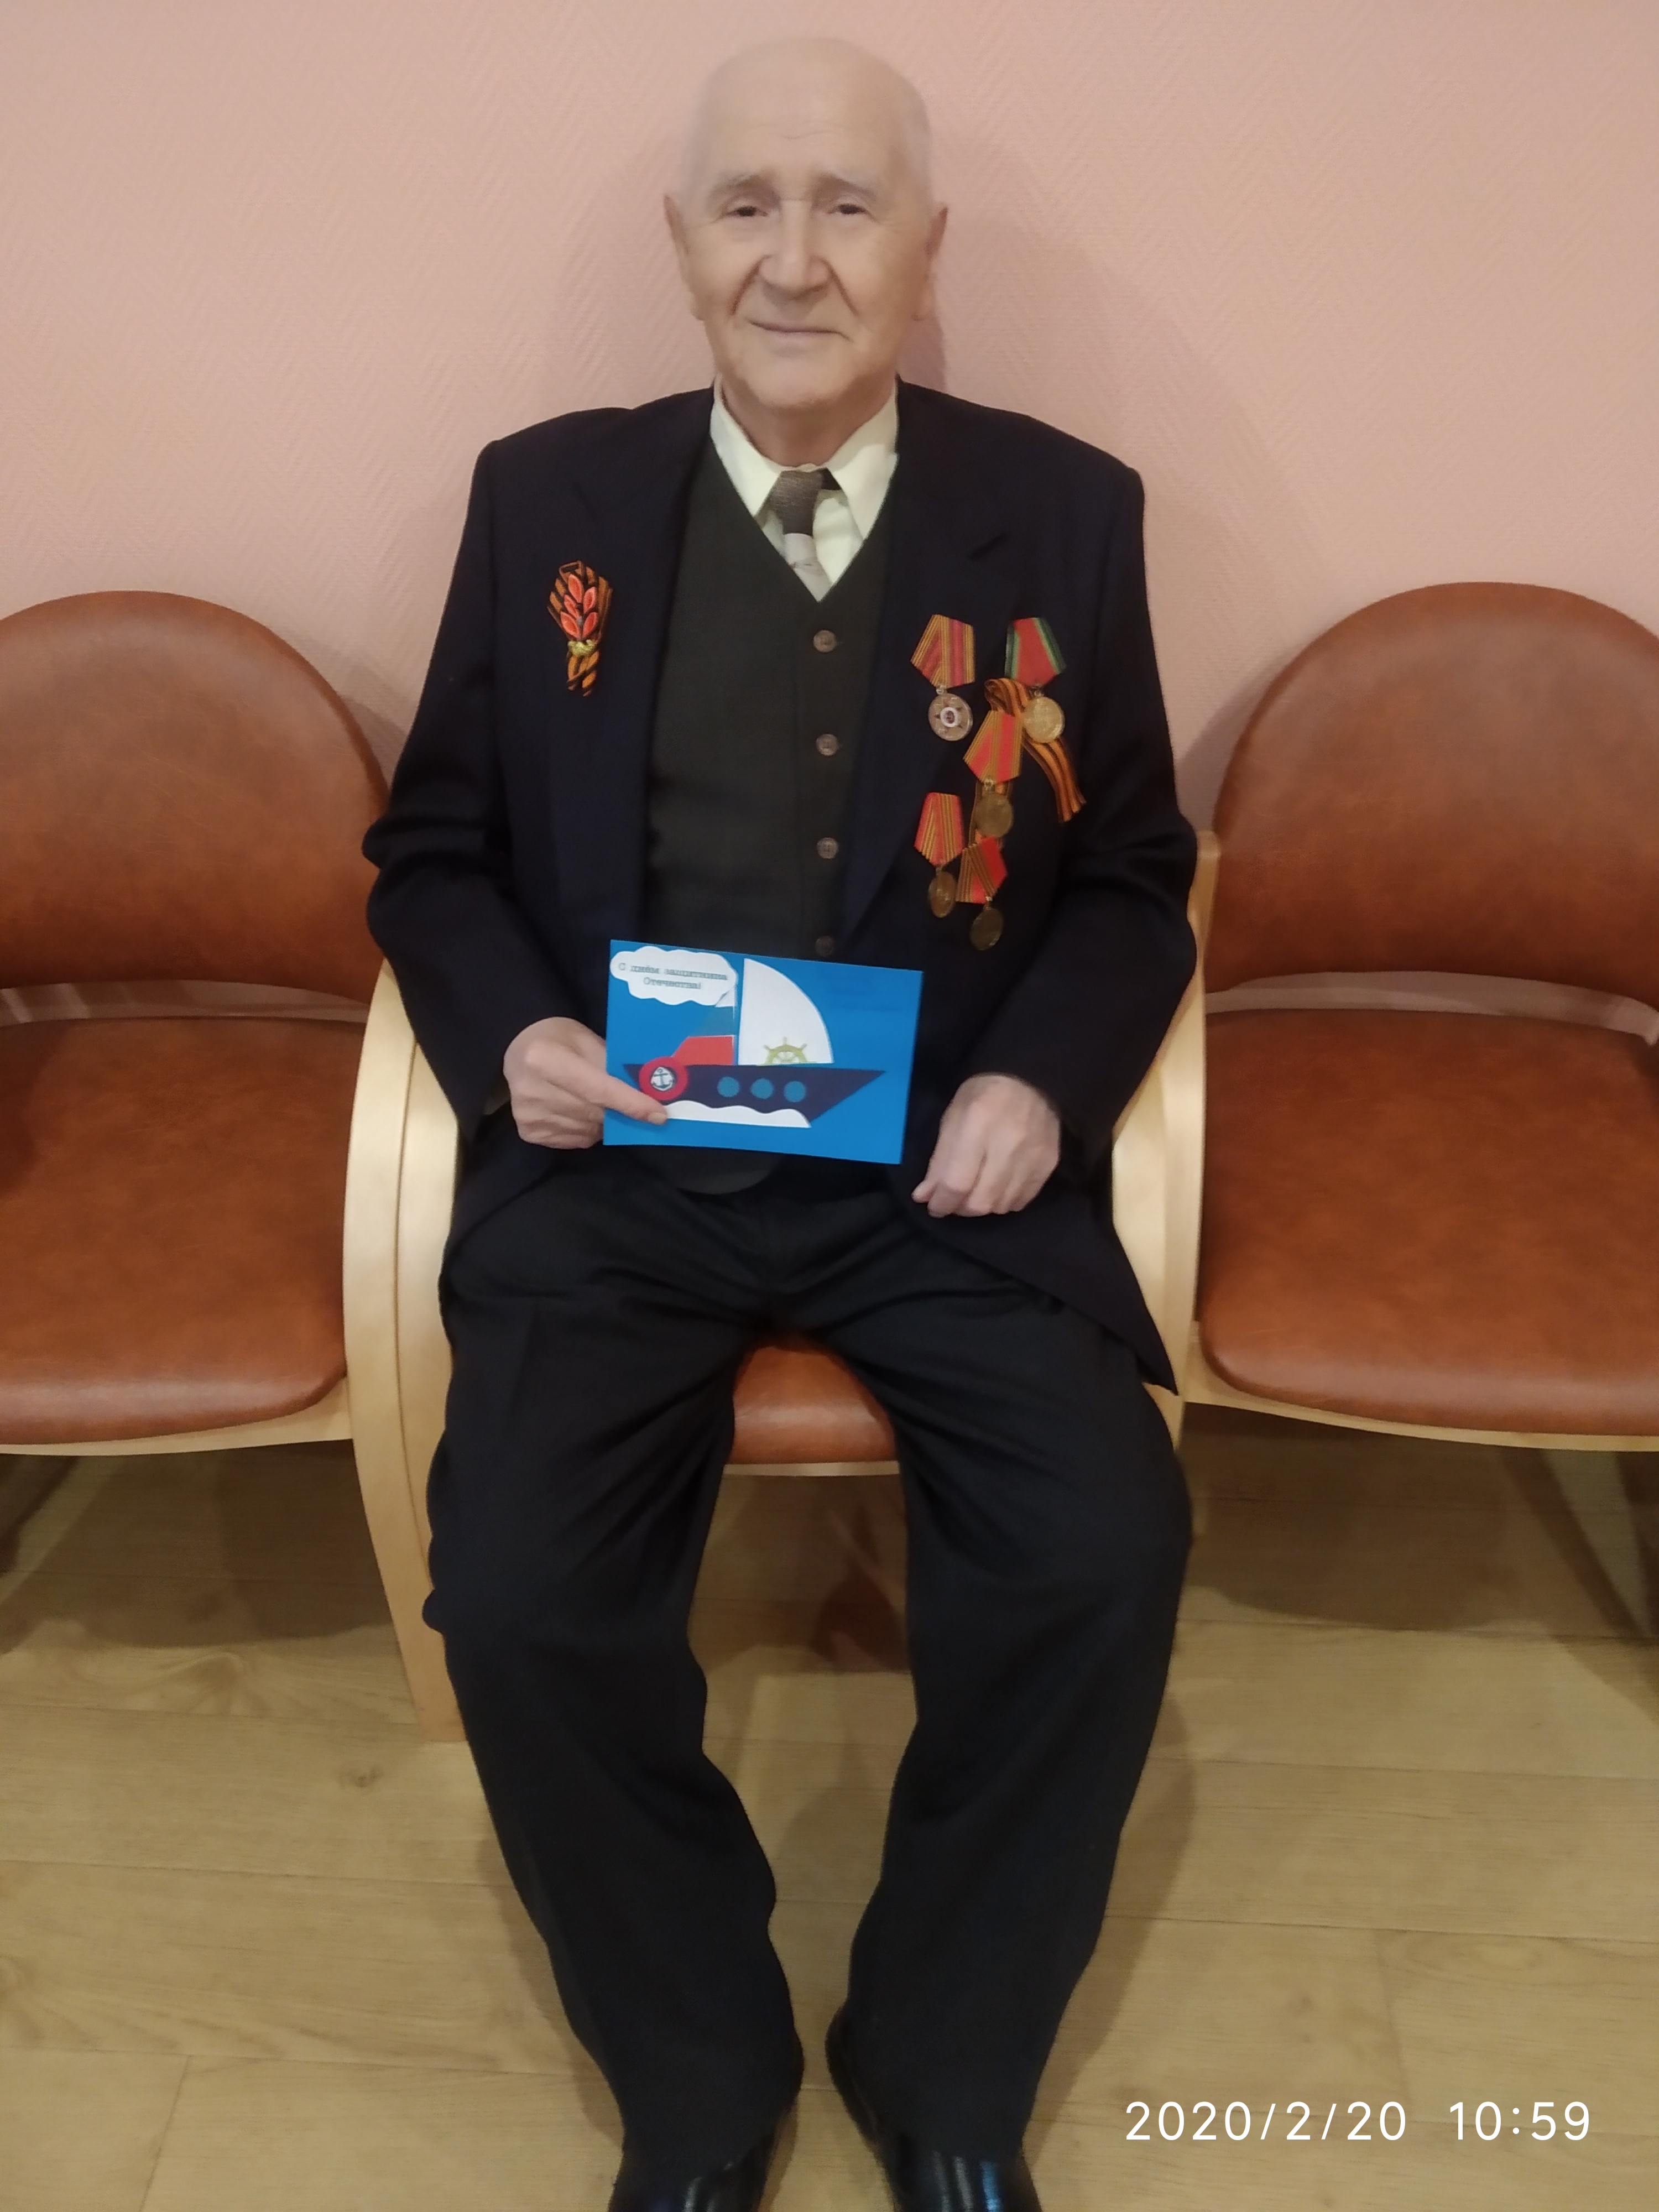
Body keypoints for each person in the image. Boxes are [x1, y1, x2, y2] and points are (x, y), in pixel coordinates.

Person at [364, 36, 1196, 2212]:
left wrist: (1039, 1080)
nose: (795, 259)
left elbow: (1132, 874)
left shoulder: (1067, 513)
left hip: (941, 1171)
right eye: (748, 205)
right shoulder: (542, 503)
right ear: (683, 243)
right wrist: (515, 1039)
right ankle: (698, 2070)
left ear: (927, 247)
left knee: (1102, 1555)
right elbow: (430, 854)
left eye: (848, 205)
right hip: (625, 1164)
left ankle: (943, 2062)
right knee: (518, 1598)